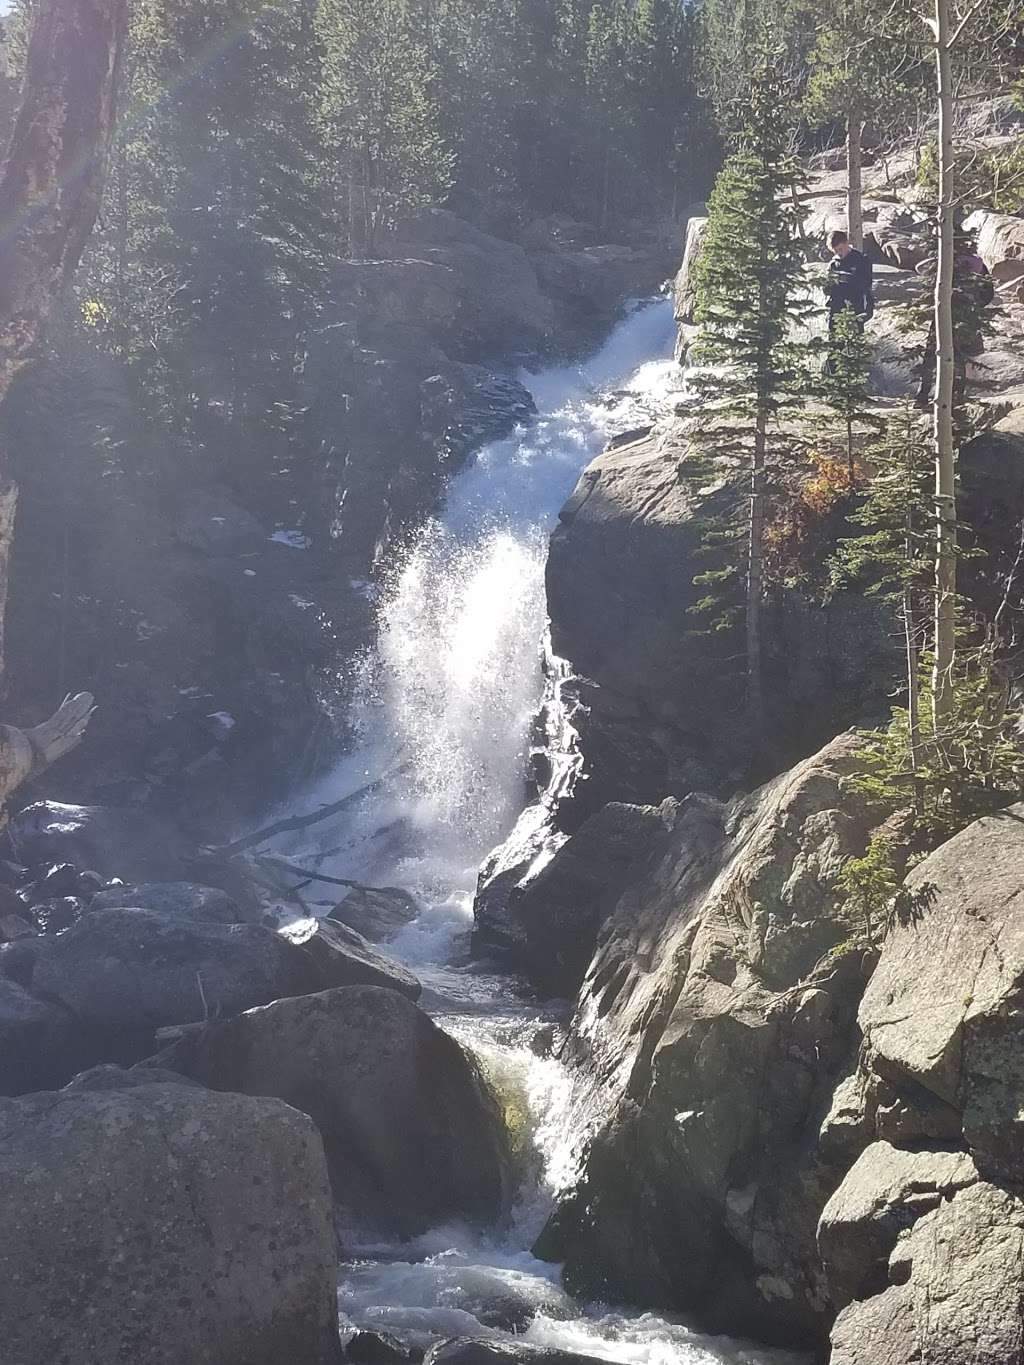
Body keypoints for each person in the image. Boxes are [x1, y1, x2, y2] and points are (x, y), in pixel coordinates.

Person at [914, 248, 993, 408]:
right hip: (967, 318)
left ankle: (923, 395)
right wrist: (976, 305)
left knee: (931, 355)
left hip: (942, 315)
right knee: (960, 358)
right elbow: (988, 292)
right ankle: (956, 396)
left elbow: (921, 269)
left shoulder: (943, 257)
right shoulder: (978, 264)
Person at [823, 229, 874, 374]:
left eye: (840, 249)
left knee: (855, 343)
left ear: (846, 243)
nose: (839, 253)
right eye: (835, 251)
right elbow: (827, 289)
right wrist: (829, 284)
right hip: (836, 309)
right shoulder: (833, 264)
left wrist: (848, 279)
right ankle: (833, 378)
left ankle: (858, 377)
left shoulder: (861, 260)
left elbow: (867, 283)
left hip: (855, 308)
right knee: (834, 343)